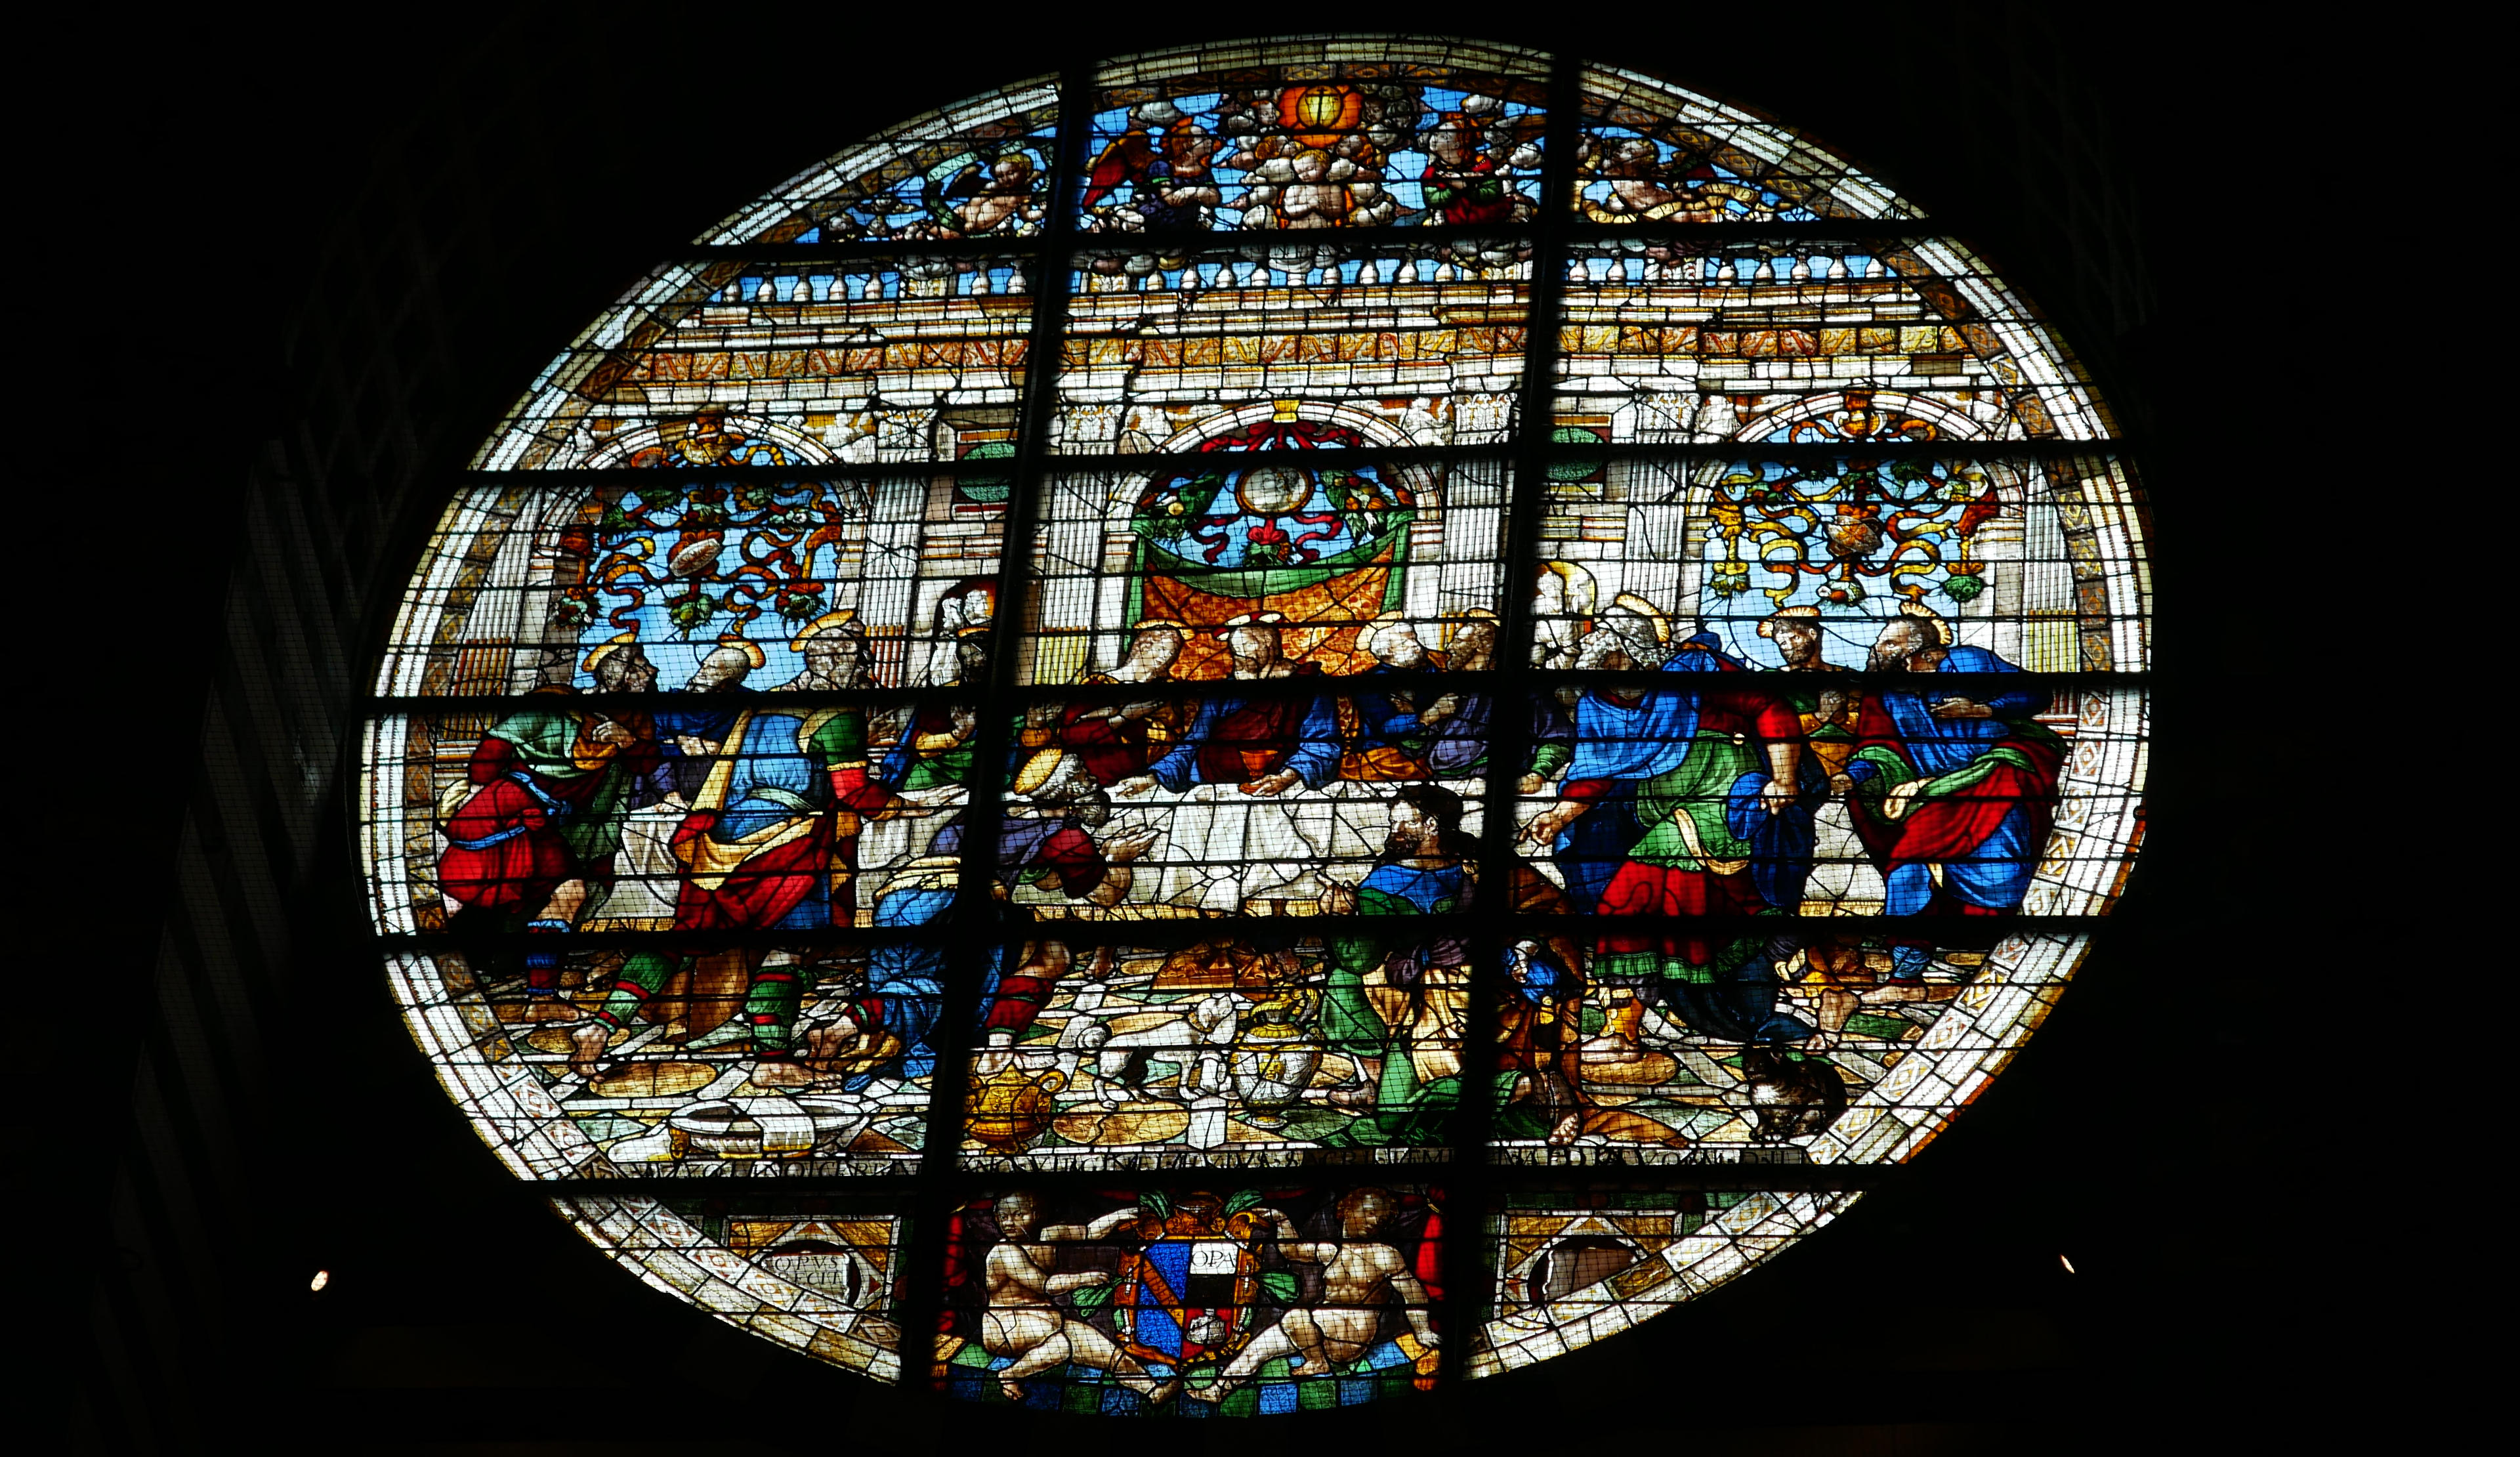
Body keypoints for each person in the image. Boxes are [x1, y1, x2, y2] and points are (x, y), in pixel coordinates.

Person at [1517, 597, 1816, 1057]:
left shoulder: (1694, 670)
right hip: (1658, 808)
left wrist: (1784, 777)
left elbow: (1767, 704)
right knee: (1695, 905)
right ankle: (1730, 987)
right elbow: (1598, 770)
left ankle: (1625, 1030)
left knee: (1630, 898)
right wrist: (1558, 816)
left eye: (1611, 659)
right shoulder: (1598, 703)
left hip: (1724, 797)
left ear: (1635, 652)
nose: (1603, 671)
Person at [437, 632, 663, 1017]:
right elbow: (491, 752)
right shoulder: (555, 707)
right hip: (509, 811)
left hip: (551, 826)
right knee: (477, 888)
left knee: (563, 893)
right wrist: (482, 807)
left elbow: (646, 764)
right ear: (617, 673)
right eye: (640, 665)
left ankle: (539, 998)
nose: (651, 671)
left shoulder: (634, 724)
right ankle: (448, 966)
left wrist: (628, 743)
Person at [1841, 602, 2063, 984]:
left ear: (1928, 652)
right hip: (1933, 793)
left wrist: (1984, 709)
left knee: (2002, 877)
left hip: (1993, 781)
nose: (1879, 651)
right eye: (1880, 644)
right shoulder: (1884, 695)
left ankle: (2003, 952)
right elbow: (1876, 746)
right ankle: (1906, 972)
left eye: (1891, 644)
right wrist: (1850, 777)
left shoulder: (1968, 662)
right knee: (1908, 863)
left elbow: (2036, 692)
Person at [1314, 784, 1496, 1145]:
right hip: (1464, 983)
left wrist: (1341, 916)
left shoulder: (1386, 882)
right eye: (1392, 822)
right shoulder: (1472, 868)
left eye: (1404, 822)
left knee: (1342, 981)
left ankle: (1376, 1082)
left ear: (1431, 825)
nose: (1394, 830)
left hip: (1416, 991)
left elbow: (1360, 957)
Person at [1209, 1189, 1437, 1394]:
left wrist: (1423, 1331)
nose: (1374, 1221)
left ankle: (1318, 1363)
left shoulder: (1385, 1255)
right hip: (1316, 1332)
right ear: (1346, 1211)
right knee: (1258, 1348)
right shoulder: (1331, 1251)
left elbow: (1413, 1294)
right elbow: (1292, 1251)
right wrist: (1282, 1220)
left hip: (1353, 1336)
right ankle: (1218, 1390)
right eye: (1369, 1213)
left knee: (1294, 1317)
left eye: (1381, 1218)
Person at [977, 1193, 1177, 1406]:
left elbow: (1089, 1232)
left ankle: (1152, 1391)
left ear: (1036, 1214)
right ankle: (1010, 1375)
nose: (1009, 1222)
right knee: (1061, 1345)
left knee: (1107, 1351)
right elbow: (1046, 1285)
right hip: (1005, 1326)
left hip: (1044, 1322)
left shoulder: (1049, 1235)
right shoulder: (1004, 1253)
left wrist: (1120, 1215)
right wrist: (1083, 1279)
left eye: (1018, 1215)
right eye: (1003, 1217)